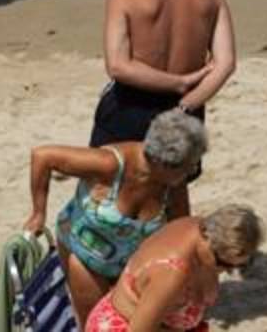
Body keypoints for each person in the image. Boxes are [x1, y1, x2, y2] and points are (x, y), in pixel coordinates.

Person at [91, 0, 236, 214]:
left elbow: (118, 66)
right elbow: (226, 63)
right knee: (175, 196)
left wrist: (179, 82)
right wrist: (186, 103)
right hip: (185, 113)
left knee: (104, 192)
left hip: (133, 106)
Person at [23, 111, 209, 324]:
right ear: (164, 164)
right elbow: (42, 157)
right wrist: (38, 213)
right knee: (96, 323)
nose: (192, 172)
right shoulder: (111, 164)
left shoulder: (173, 185)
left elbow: (179, 230)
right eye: (190, 166)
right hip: (86, 253)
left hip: (131, 262)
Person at [86, 205, 264, 331]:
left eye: (238, 265)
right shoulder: (172, 274)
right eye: (224, 265)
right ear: (208, 242)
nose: (226, 271)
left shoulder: (202, 227)